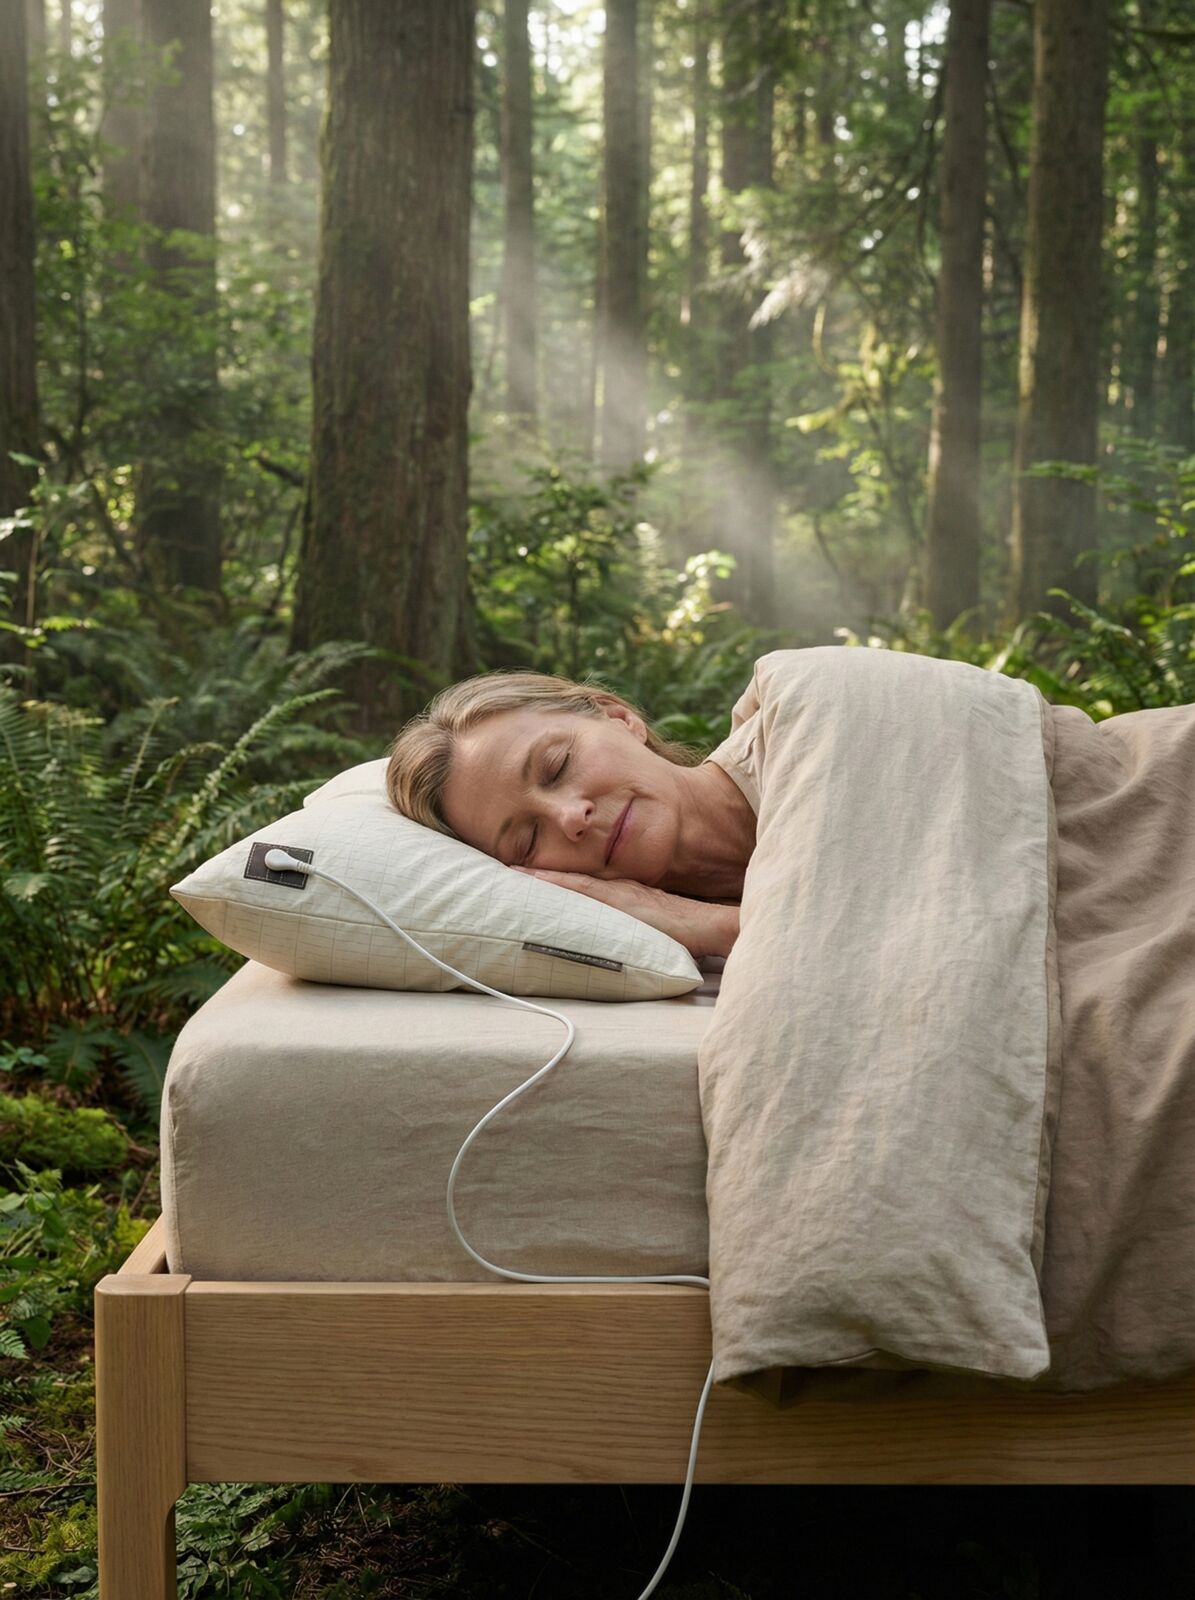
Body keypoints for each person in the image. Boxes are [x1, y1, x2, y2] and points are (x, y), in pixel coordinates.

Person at [384, 669, 758, 961]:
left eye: (557, 765)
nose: (571, 817)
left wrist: (720, 927)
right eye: (528, 841)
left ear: (619, 717)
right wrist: (707, 925)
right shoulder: (681, 940)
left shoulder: (796, 718)